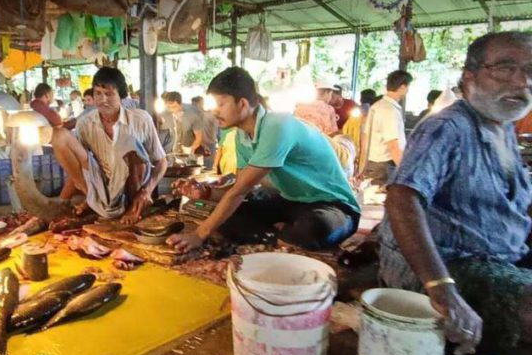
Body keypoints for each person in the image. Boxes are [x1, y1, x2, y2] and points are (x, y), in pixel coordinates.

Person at [379, 31, 532, 355]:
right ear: (469, 77)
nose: (522, 82)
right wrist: (441, 287)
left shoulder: (502, 128)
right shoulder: (447, 127)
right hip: (448, 264)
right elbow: (402, 197)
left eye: (530, 71)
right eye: (505, 69)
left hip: (499, 254)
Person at [168, 67, 360, 252]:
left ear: (242, 104)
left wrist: (198, 235)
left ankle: (282, 236)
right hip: (291, 201)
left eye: (221, 104)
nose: (215, 112)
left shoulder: (276, 126)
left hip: (334, 205)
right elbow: (241, 186)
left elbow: (239, 192)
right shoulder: (240, 136)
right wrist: (205, 192)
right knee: (227, 219)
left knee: (314, 227)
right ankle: (283, 237)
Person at [51, 67, 166, 223]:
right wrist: (63, 201)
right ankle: (93, 199)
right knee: (59, 135)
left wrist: (147, 191)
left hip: (132, 186)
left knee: (128, 143)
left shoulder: (141, 119)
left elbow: (161, 161)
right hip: (101, 184)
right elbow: (81, 163)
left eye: (109, 94)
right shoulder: (85, 123)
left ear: (121, 95)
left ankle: (133, 207)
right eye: (98, 93)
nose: (103, 99)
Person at [362, 70, 413, 187]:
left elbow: (364, 137)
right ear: (403, 87)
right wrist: (406, 172)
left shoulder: (377, 106)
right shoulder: (389, 111)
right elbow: (393, 146)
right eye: (408, 87)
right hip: (384, 167)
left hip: (373, 163)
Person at [165, 92, 217, 168]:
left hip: (188, 148)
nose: (172, 110)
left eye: (174, 107)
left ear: (180, 104)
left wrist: (190, 151)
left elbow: (198, 138)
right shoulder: (164, 114)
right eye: (169, 107)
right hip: (171, 151)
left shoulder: (193, 114)